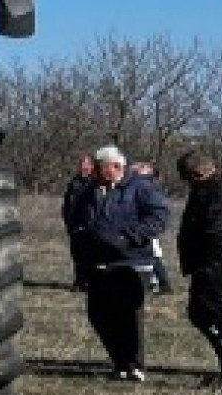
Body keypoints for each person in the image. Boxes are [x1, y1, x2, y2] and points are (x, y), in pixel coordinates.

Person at [65, 145, 170, 381]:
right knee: (98, 314)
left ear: (115, 167)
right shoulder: (89, 190)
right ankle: (119, 361)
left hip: (131, 261)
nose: (93, 172)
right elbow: (76, 217)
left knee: (129, 316)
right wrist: (82, 236)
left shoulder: (141, 188)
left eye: (98, 168)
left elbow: (159, 218)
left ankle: (134, 366)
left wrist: (128, 237)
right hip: (98, 262)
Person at [177, 150, 222, 390]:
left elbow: (218, 234)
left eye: (187, 177)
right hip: (212, 264)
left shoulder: (220, 193)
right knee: (203, 314)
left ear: (197, 174)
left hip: (220, 265)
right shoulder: (206, 191)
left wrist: (207, 265)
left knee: (215, 315)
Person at [133, 162, 175, 293]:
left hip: (146, 225)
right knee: (149, 255)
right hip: (143, 224)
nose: (135, 170)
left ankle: (163, 283)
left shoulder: (148, 186)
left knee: (153, 255)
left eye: (140, 168)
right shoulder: (144, 184)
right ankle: (153, 282)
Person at [62, 154, 96, 289]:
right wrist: (68, 221)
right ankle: (79, 281)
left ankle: (90, 281)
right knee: (77, 254)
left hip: (90, 225)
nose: (84, 166)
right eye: (82, 163)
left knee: (90, 255)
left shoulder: (95, 182)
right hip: (74, 224)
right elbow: (67, 204)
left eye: (87, 164)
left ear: (92, 166)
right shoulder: (74, 182)